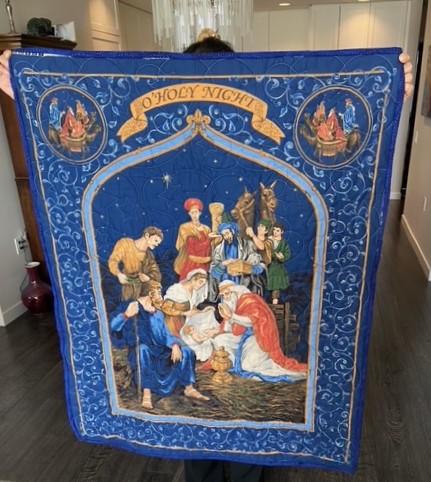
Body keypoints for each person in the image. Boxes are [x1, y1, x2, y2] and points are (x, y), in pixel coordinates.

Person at [0, 32, 415, 482]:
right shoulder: (186, 241)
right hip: (197, 280)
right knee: (197, 363)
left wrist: (387, 89)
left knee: (213, 422)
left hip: (223, 284)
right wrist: (28, 90)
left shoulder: (229, 228)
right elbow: (186, 264)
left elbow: (233, 262)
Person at [110, 280, 209, 410]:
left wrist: (174, 345)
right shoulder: (132, 307)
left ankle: (189, 388)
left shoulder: (157, 313)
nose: (161, 296)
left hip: (160, 350)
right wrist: (126, 315)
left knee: (187, 351)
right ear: (150, 294)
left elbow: (166, 335)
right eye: (158, 293)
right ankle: (147, 394)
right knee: (143, 350)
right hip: (144, 348)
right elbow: (112, 326)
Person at [217, 280, 307, 380]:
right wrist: (227, 319)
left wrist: (232, 316)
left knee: (247, 367)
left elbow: (251, 321)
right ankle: (231, 364)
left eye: (227, 293)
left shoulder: (249, 300)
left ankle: (278, 368)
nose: (226, 298)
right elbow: (230, 329)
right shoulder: (234, 304)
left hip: (260, 337)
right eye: (223, 295)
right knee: (219, 340)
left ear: (235, 291)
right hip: (244, 337)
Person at [209, 221, 266, 302]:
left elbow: (257, 261)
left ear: (232, 231)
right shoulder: (218, 249)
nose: (226, 237)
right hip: (226, 283)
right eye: (224, 235)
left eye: (227, 233)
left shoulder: (247, 245)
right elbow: (213, 270)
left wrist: (245, 268)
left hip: (243, 282)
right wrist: (223, 265)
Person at [108, 226, 163, 301]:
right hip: (123, 287)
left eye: (158, 243)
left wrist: (148, 277)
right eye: (155, 240)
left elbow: (156, 273)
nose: (156, 245)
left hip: (139, 291)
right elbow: (113, 261)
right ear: (147, 235)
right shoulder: (125, 244)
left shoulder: (149, 256)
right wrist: (118, 274)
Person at [161, 268, 212, 337]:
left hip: (185, 322)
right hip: (173, 323)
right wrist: (184, 313)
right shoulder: (176, 290)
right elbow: (165, 308)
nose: (201, 286)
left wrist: (202, 312)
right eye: (200, 282)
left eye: (203, 284)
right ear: (193, 279)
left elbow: (192, 309)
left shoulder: (194, 292)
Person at [174, 198, 213, 280]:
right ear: (189, 214)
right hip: (191, 262)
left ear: (200, 213)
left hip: (205, 263)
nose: (194, 215)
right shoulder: (185, 227)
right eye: (192, 212)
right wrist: (209, 238)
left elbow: (211, 246)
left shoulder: (206, 228)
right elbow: (191, 245)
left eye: (196, 212)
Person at [267, 222, 291, 305]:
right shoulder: (269, 240)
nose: (275, 232)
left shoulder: (284, 243)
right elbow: (265, 251)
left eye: (277, 230)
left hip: (278, 269)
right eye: (274, 230)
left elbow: (287, 254)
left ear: (282, 232)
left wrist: (281, 258)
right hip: (268, 267)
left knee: (275, 286)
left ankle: (275, 305)